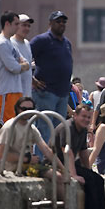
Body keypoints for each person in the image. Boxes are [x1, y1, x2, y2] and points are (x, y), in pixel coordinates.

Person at [0, 96, 87, 209]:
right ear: (17, 109)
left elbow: (46, 150)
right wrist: (27, 159)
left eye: (30, 109)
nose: (27, 112)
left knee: (60, 175)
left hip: (29, 164)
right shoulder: (10, 126)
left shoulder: (31, 127)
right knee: (56, 177)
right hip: (15, 167)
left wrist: (64, 169)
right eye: (24, 109)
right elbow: (2, 153)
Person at [55, 104, 105, 209]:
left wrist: (89, 170)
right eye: (83, 116)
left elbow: (83, 152)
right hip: (56, 162)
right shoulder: (68, 127)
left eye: (89, 117)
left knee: (97, 179)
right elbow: (67, 152)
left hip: (69, 162)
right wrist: (74, 174)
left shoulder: (82, 130)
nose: (86, 120)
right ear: (75, 115)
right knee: (87, 179)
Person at [30, 11, 72, 157]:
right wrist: (32, 79)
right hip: (45, 92)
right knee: (44, 128)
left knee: (57, 131)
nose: (61, 24)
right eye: (58, 21)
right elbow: (24, 57)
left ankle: (51, 162)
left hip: (62, 93)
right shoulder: (41, 40)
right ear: (50, 23)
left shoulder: (67, 43)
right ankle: (40, 163)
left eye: (63, 22)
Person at [0, 11, 30, 162]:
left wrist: (22, 64)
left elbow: (22, 60)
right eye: (16, 24)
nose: (18, 27)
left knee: (12, 123)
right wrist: (23, 65)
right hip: (6, 89)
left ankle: (6, 156)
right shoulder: (1, 43)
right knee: (1, 123)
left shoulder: (9, 43)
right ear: (7, 24)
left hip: (15, 89)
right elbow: (14, 66)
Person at [11, 13, 34, 97]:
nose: (27, 28)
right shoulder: (9, 42)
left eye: (28, 26)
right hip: (13, 93)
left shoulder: (27, 44)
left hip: (27, 94)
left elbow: (28, 68)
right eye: (24, 25)